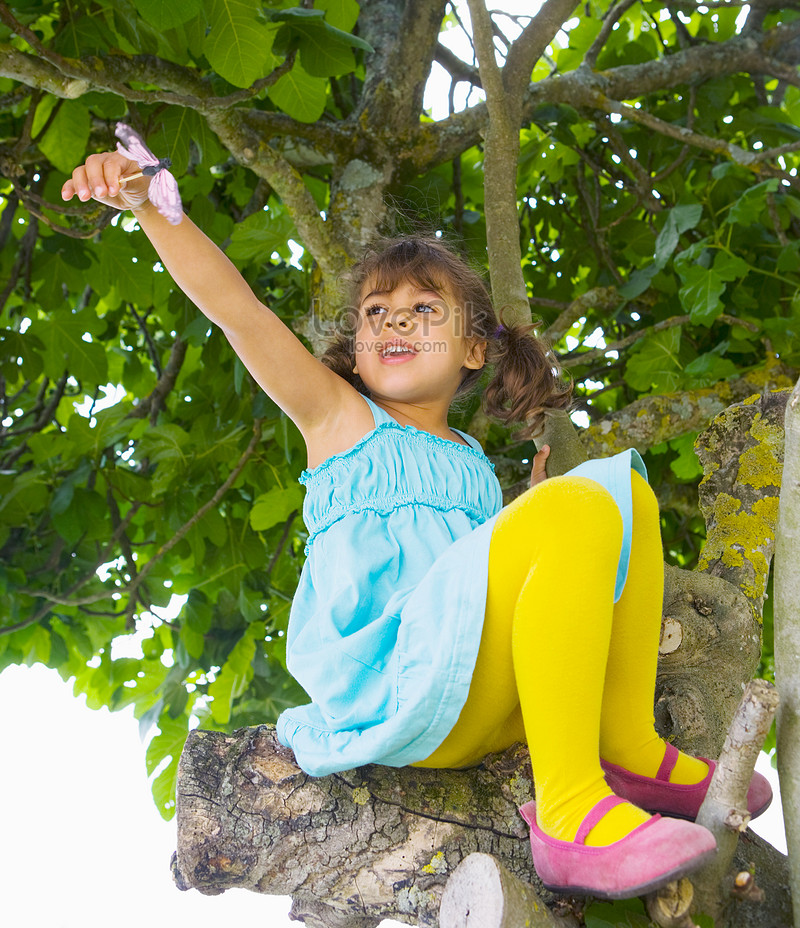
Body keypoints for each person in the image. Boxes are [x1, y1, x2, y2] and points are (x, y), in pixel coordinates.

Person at [62, 149, 771, 901]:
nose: (395, 320)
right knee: (582, 502)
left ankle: (626, 743)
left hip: (479, 692)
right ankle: (569, 812)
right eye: (376, 312)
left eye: (424, 309)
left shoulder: (470, 460)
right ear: (359, 348)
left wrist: (538, 509)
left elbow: (504, 592)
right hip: (399, 688)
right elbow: (237, 309)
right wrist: (149, 205)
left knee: (625, 491)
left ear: (473, 349)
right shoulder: (339, 416)